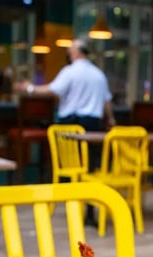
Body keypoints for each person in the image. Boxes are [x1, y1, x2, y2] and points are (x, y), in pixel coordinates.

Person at [15, 38, 114, 224]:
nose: (68, 55)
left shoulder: (70, 72)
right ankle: (89, 211)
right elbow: (107, 102)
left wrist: (28, 88)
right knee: (90, 169)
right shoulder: (99, 75)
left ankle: (74, 206)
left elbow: (52, 90)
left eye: (69, 52)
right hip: (93, 126)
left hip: (71, 125)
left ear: (76, 53)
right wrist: (111, 119)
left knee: (71, 170)